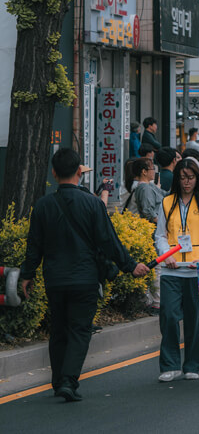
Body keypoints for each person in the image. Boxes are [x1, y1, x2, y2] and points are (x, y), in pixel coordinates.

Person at [20, 148, 149, 401]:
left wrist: (27, 275)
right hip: (85, 278)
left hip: (55, 279)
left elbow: (34, 245)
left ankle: (58, 382)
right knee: (79, 330)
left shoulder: (43, 206)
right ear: (80, 171)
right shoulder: (92, 203)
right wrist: (130, 265)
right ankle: (68, 381)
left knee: (58, 330)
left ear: (54, 173)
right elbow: (108, 241)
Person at [154, 158, 199, 382]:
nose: (186, 182)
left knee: (195, 321)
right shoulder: (167, 202)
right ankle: (170, 365)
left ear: (198, 178)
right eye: (182, 178)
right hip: (172, 270)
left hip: (197, 271)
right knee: (169, 317)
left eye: (190, 178)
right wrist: (168, 255)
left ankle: (192, 364)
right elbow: (161, 235)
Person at [125, 158, 164, 223]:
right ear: (144, 172)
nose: (154, 171)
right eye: (153, 168)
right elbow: (148, 212)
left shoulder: (149, 185)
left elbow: (164, 194)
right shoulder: (145, 188)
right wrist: (162, 223)